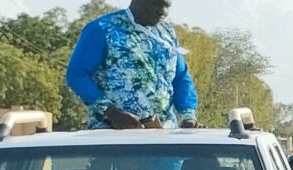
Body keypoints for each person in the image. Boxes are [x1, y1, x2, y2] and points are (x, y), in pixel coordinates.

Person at [65, 0, 197, 130]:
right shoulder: (103, 28)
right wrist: (112, 113)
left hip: (163, 136)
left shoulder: (167, 33)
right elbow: (77, 74)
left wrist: (188, 115)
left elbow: (181, 78)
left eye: (167, 6)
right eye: (157, 3)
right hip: (113, 137)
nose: (163, 11)